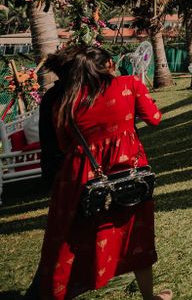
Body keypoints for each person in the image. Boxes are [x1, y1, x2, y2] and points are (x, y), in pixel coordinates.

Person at [30, 45, 170, 300]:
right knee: (135, 236)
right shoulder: (130, 84)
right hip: (128, 172)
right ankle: (150, 297)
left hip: (80, 178)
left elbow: (64, 144)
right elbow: (155, 118)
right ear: (106, 66)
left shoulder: (66, 99)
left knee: (68, 243)